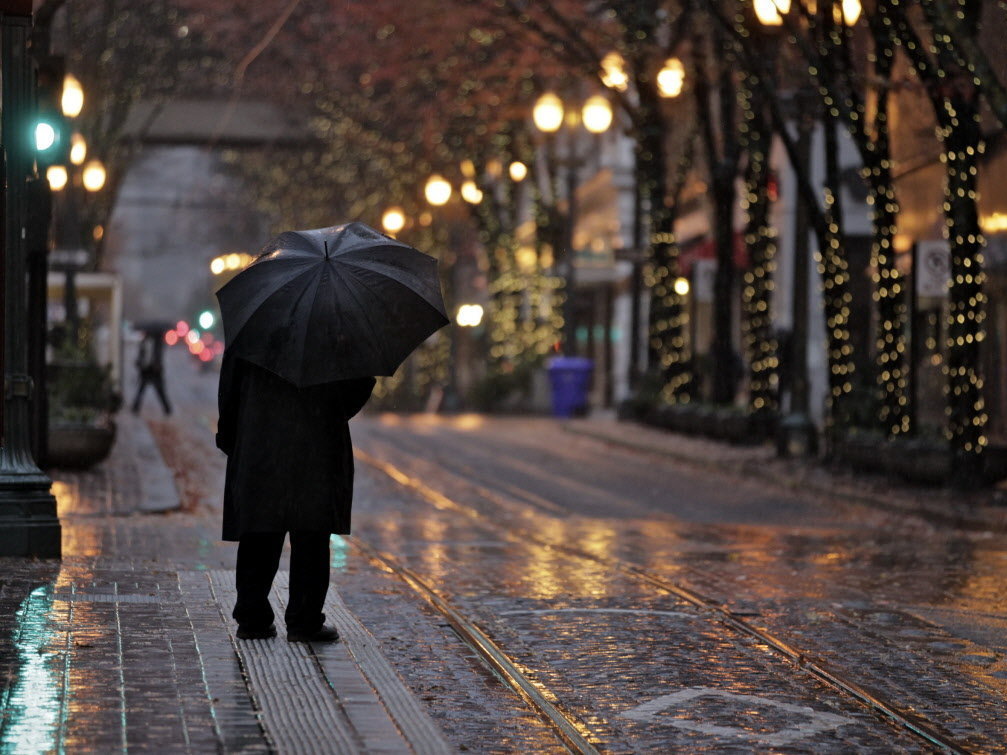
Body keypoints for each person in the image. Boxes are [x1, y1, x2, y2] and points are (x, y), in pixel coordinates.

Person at [216, 352, 375, 642]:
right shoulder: (334, 326)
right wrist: (330, 408)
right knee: (312, 531)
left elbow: (230, 386)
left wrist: (231, 435)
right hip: (317, 438)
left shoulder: (253, 325)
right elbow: (357, 387)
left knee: (261, 527)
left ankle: (252, 617)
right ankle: (305, 620)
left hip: (260, 435)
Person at [132, 329, 172, 415]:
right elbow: (141, 354)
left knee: (160, 390)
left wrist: (157, 364)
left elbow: (159, 355)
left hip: (155, 370)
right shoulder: (143, 342)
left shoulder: (158, 342)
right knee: (141, 389)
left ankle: (167, 409)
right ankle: (135, 408)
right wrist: (139, 362)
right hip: (145, 369)